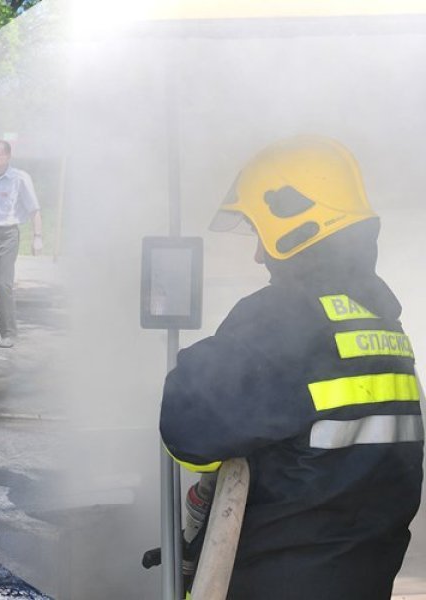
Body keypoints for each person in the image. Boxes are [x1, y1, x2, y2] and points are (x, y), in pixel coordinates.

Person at [160, 135, 422, 599]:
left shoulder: (286, 318)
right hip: (365, 580)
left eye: (260, 234)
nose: (258, 254)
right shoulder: (386, 325)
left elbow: (187, 429)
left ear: (299, 222)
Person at [0, 140, 43, 348]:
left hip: (8, 235)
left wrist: (37, 237)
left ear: (7, 156)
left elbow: (34, 209)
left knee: (3, 283)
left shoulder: (20, 179)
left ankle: (9, 332)